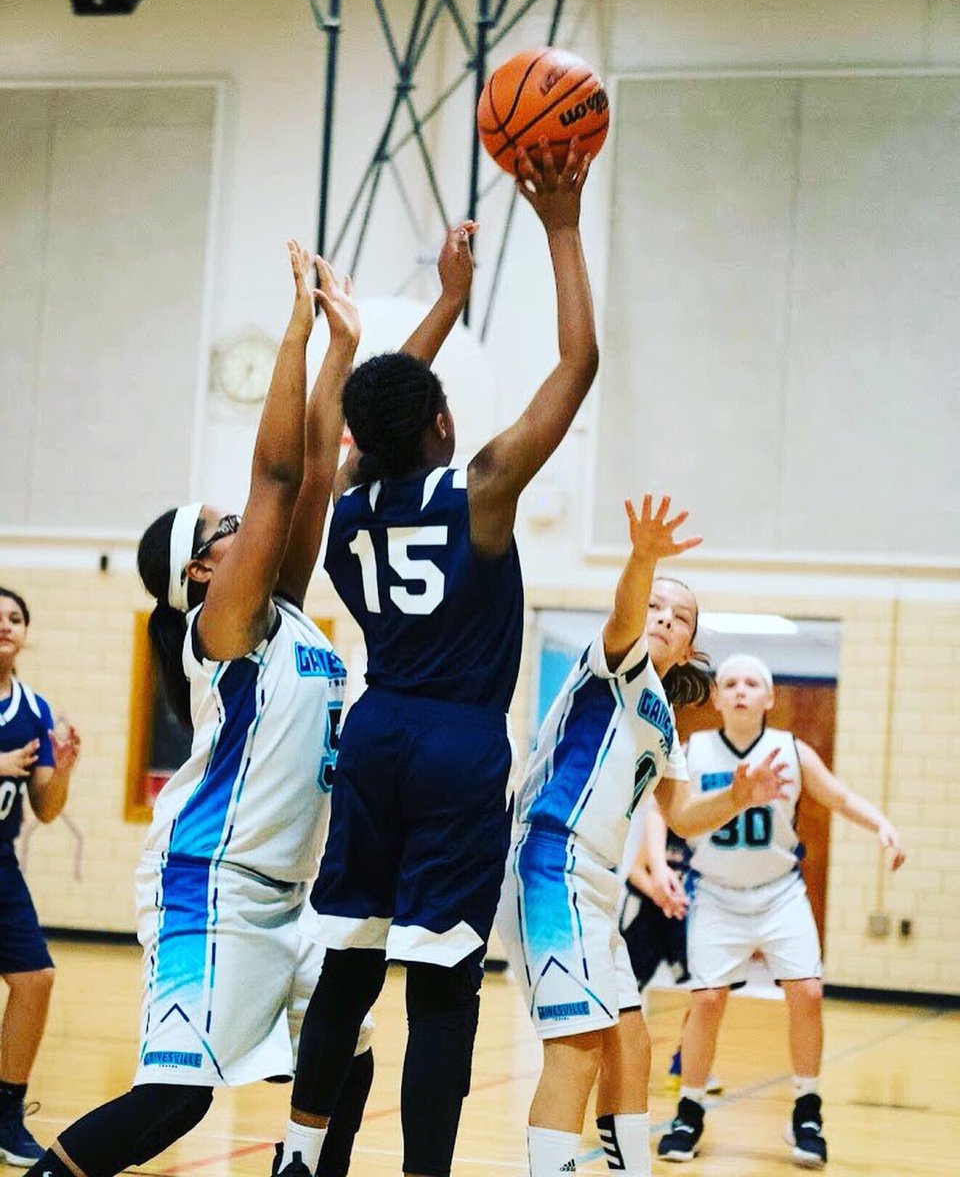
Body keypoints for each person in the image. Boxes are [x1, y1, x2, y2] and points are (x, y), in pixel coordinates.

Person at [274, 139, 599, 1177]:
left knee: (347, 970)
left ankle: (296, 1153)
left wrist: (440, 307)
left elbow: (365, 414)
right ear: (446, 423)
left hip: (375, 733)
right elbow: (578, 365)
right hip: (461, 746)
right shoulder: (486, 485)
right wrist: (558, 225)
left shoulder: (343, 504)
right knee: (442, 986)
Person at [24, 242, 371, 1177]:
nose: (243, 525)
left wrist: (341, 350)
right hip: (210, 889)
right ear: (199, 571)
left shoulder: (280, 611)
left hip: (284, 895)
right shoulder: (221, 626)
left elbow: (312, 488)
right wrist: (295, 328)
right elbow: (279, 480)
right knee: (172, 1104)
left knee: (348, 1048)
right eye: (224, 527)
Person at [496, 497, 791, 1177]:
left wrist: (740, 796)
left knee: (631, 1040)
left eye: (679, 616)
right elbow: (627, 615)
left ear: (690, 646)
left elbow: (682, 813)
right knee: (577, 1043)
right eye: (656, 606)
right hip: (550, 862)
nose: (662, 617)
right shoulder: (616, 661)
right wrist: (643, 557)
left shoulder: (662, 718)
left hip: (597, 887)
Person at [655, 652, 907, 1169]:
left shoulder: (791, 750)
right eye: (731, 682)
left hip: (779, 892)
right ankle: (689, 1109)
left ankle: (807, 1109)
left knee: (808, 992)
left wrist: (881, 823)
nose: (741, 689)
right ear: (718, 697)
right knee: (705, 1003)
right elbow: (666, 812)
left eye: (752, 682)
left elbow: (836, 798)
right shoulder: (694, 749)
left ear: (770, 698)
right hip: (717, 894)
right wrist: (657, 863)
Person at [0, 589, 81, 1166]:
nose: (6, 625)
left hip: (1, 864)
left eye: (16, 617)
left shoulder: (33, 708)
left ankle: (6, 1113)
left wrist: (65, 770)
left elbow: (46, 809)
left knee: (36, 979)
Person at [619, 821, 722, 1095]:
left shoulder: (705, 830)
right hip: (649, 919)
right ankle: (612, 1055)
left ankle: (683, 1061)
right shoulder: (661, 829)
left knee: (704, 991)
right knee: (623, 989)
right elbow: (635, 870)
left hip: (686, 922)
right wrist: (660, 894)